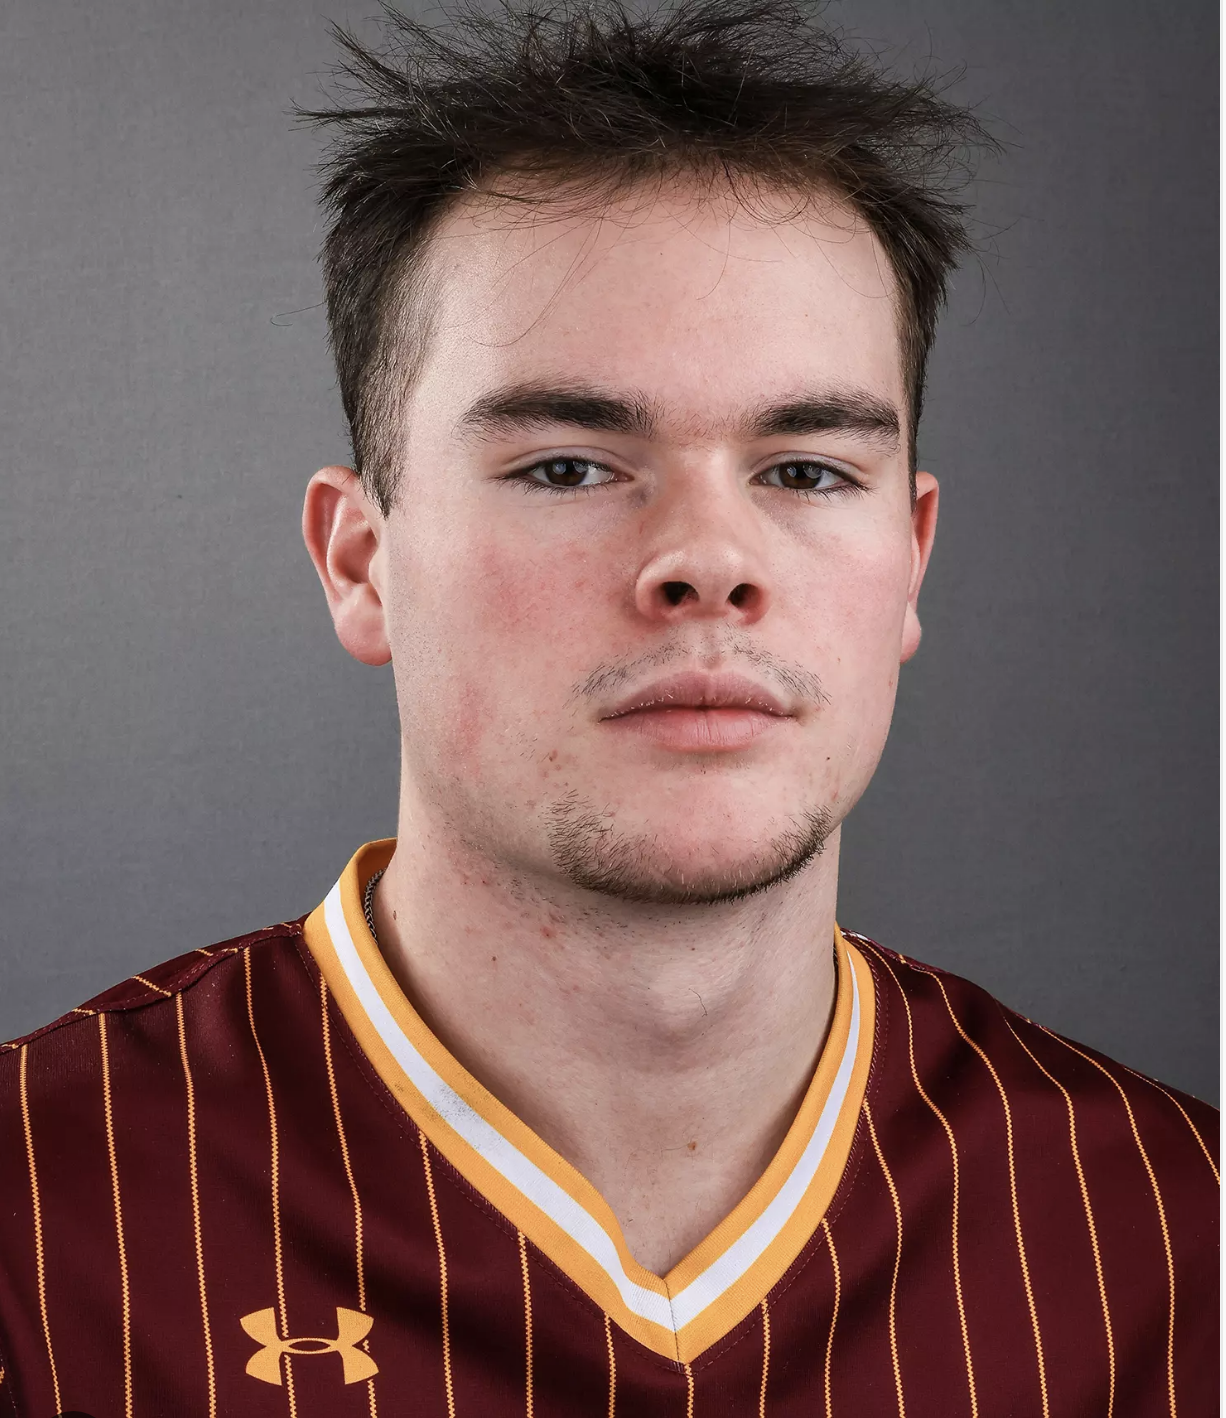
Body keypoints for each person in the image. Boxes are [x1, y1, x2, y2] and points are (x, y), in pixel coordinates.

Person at [0, 2, 1216, 1413]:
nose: (708, 560)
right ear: (362, 564)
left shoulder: (1180, 1234)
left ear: (909, 560)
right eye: (568, 467)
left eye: (807, 470)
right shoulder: (36, 1219)